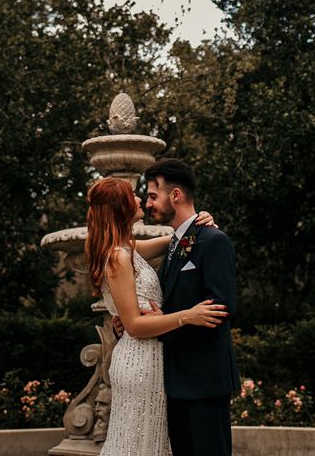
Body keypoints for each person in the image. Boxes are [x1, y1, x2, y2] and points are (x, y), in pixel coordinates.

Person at [84, 177, 227, 455]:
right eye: (133, 196)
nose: (139, 200)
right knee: (136, 443)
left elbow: (174, 240)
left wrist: (200, 221)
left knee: (147, 441)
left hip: (150, 357)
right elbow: (135, 325)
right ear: (121, 207)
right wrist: (188, 315)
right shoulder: (118, 257)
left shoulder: (127, 250)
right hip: (139, 361)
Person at [143, 158, 240, 456]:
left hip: (205, 382)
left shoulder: (214, 241)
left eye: (152, 195)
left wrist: (165, 325)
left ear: (176, 195)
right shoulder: (175, 244)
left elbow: (220, 310)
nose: (148, 204)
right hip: (175, 384)